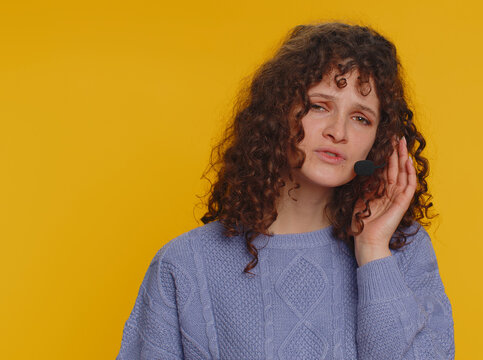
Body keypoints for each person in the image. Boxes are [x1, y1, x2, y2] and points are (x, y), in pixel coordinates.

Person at [117, 22, 455, 360]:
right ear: (278, 112)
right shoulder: (185, 265)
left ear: (379, 142)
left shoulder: (402, 252)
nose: (338, 131)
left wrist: (372, 250)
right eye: (320, 106)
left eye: (361, 118)